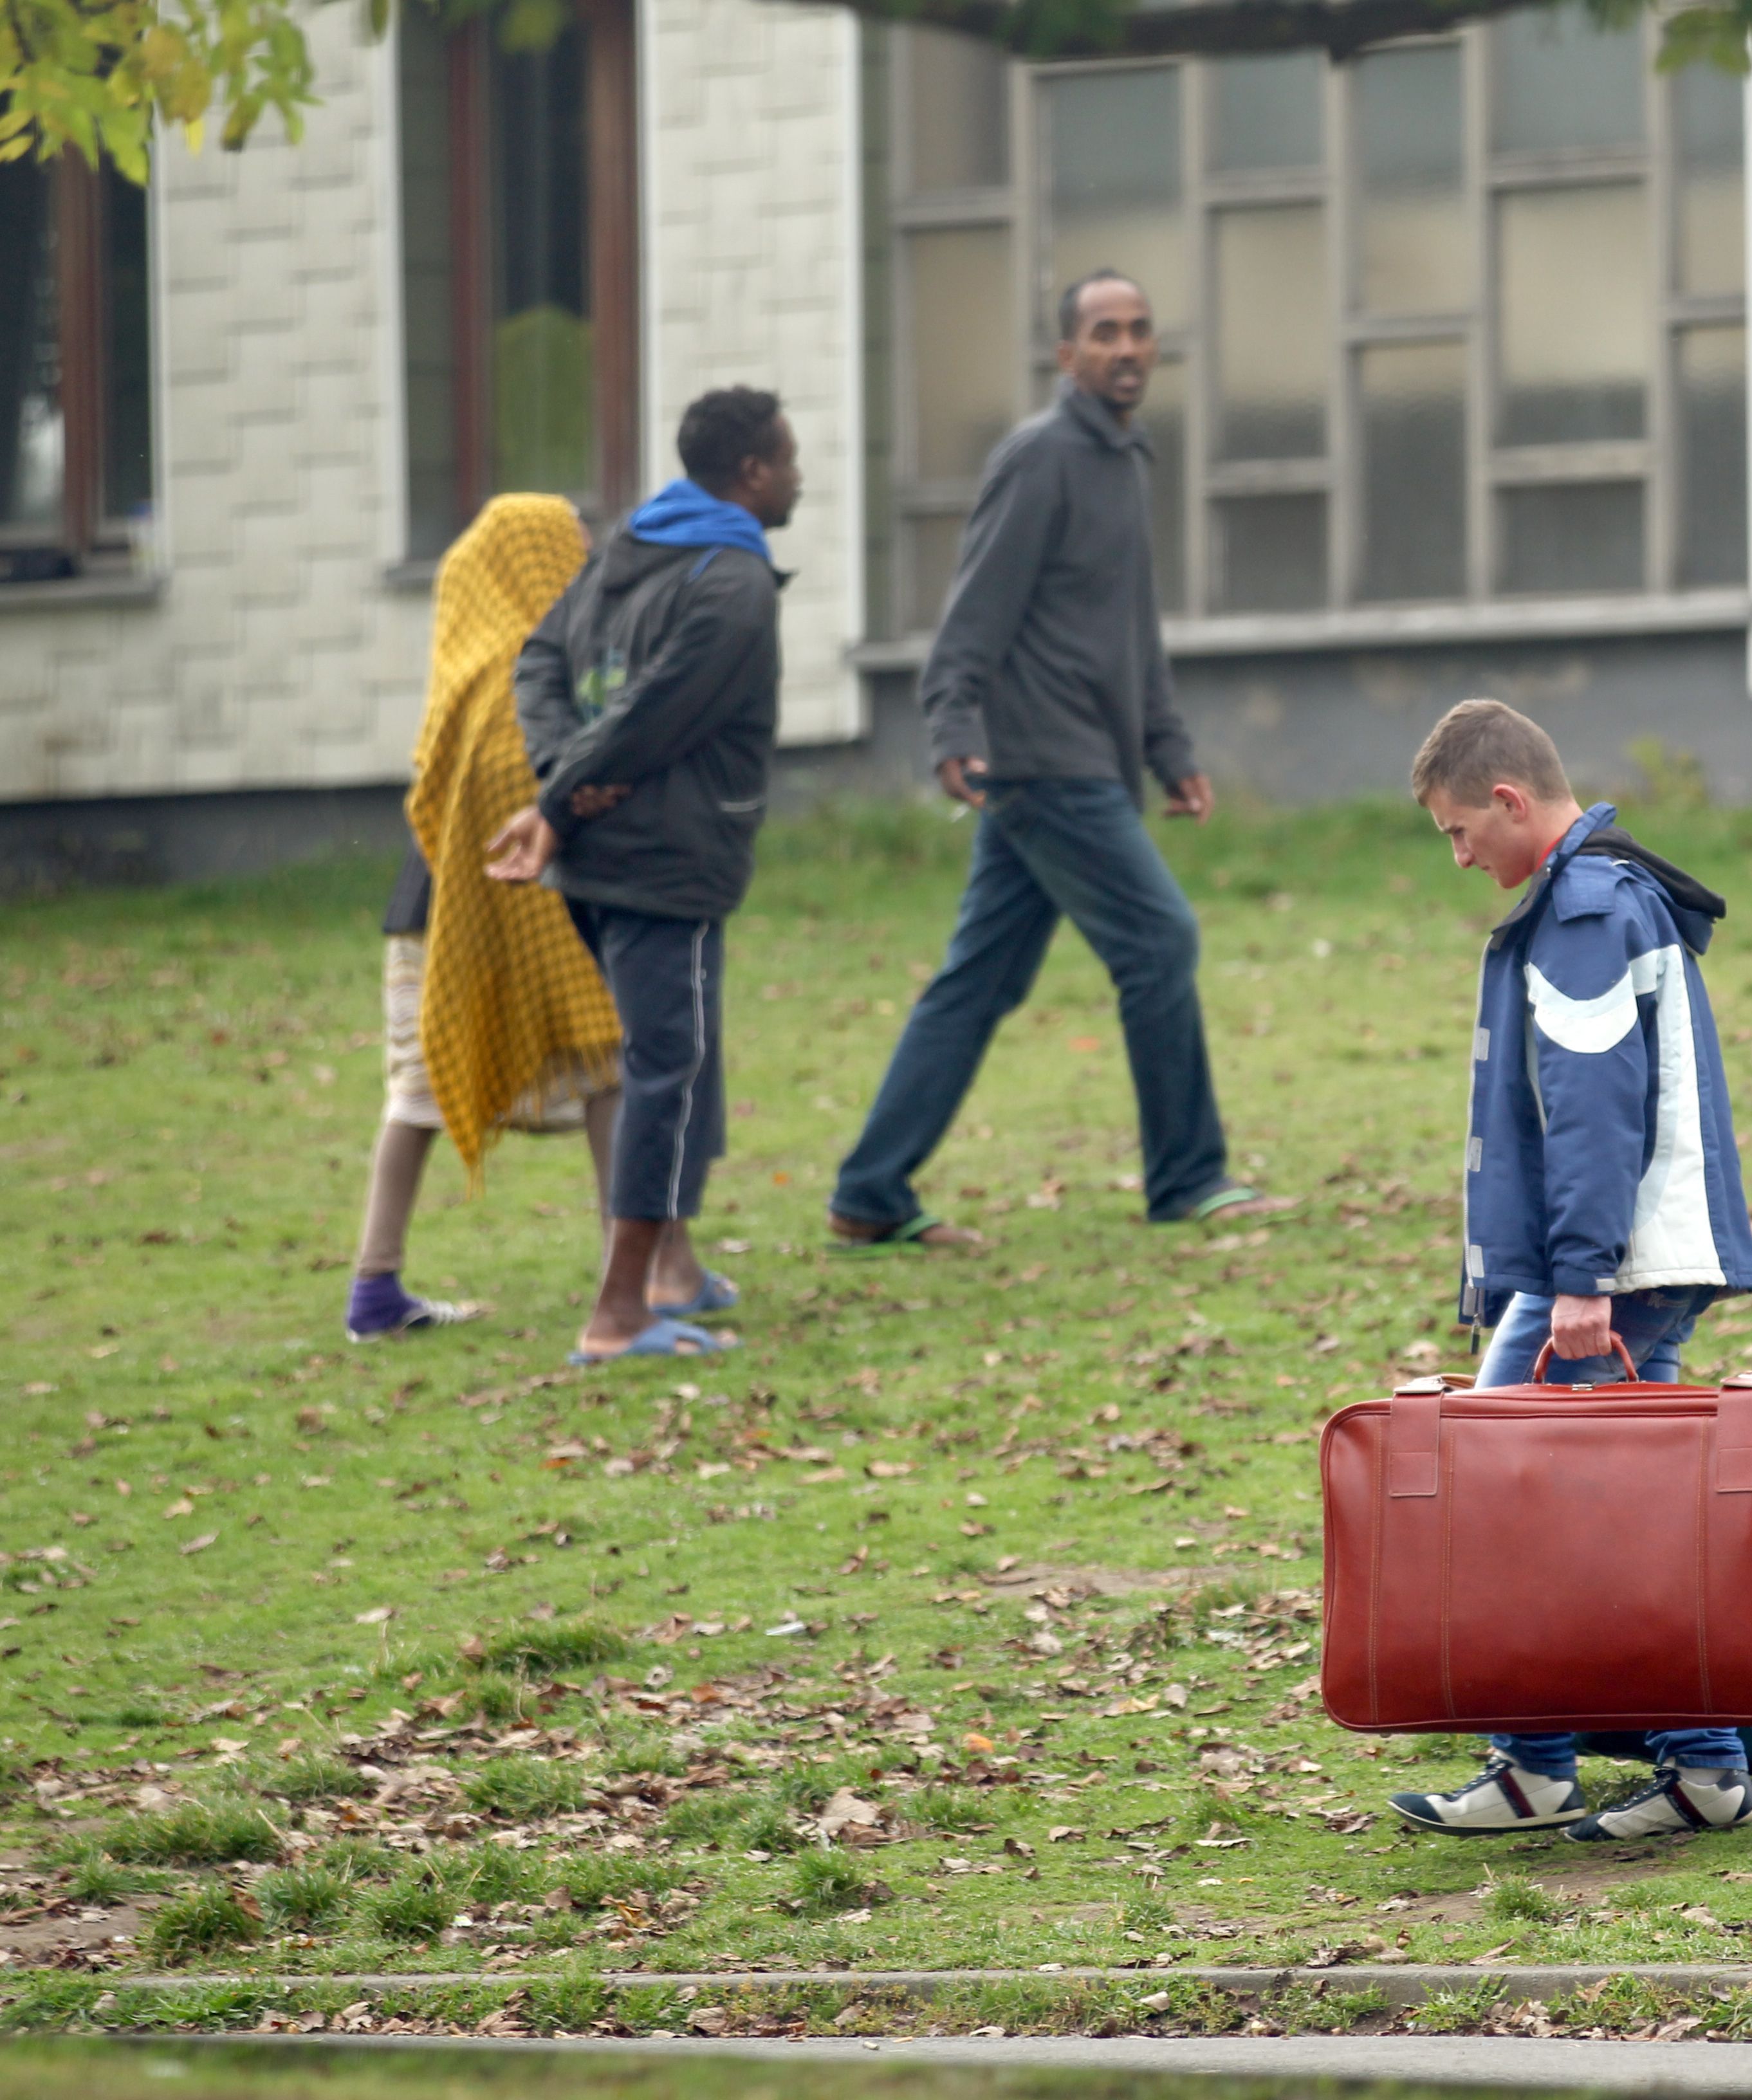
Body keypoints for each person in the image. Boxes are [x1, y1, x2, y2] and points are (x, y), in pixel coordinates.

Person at [827, 270, 1287, 1250]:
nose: (1126, 348)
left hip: (1093, 758)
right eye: (1104, 333)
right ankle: (1188, 1175)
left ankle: (870, 1190)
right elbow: (975, 609)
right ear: (1065, 356)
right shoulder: (1039, 458)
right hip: (1043, 763)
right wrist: (951, 726)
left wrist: (1169, 749)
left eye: (1140, 331)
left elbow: (1129, 629)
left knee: (978, 980)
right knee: (1159, 942)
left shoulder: (1124, 460)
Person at [1383, 698, 1752, 1844]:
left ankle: (1561, 1769)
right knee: (1589, 1510)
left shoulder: (1588, 911)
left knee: (1512, 1502)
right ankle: (1660, 1767)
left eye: (1460, 833)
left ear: (1509, 801)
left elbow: (1595, 1114)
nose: (1459, 859)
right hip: (1611, 1257)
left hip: (1613, 1264)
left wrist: (1581, 1281)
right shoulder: (1594, 894)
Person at [485, 387, 802, 1365]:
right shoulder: (732, 583)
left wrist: (558, 786)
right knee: (667, 1068)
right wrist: (561, 795)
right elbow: (656, 712)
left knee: (681, 1052)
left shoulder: (631, 546)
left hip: (603, 856)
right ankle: (619, 1313)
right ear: (750, 473)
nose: (799, 476)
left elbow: (541, 664)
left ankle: (673, 1271)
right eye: (789, 459)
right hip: (663, 860)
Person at [345, 494, 624, 1341]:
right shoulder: (512, 670)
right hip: (470, 916)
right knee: (603, 1064)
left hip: (442, 910)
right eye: (569, 557)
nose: (585, 574)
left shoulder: (479, 661)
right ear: (529, 567)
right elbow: (519, 793)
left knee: (434, 1095)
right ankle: (631, 1267)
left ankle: (376, 1289)